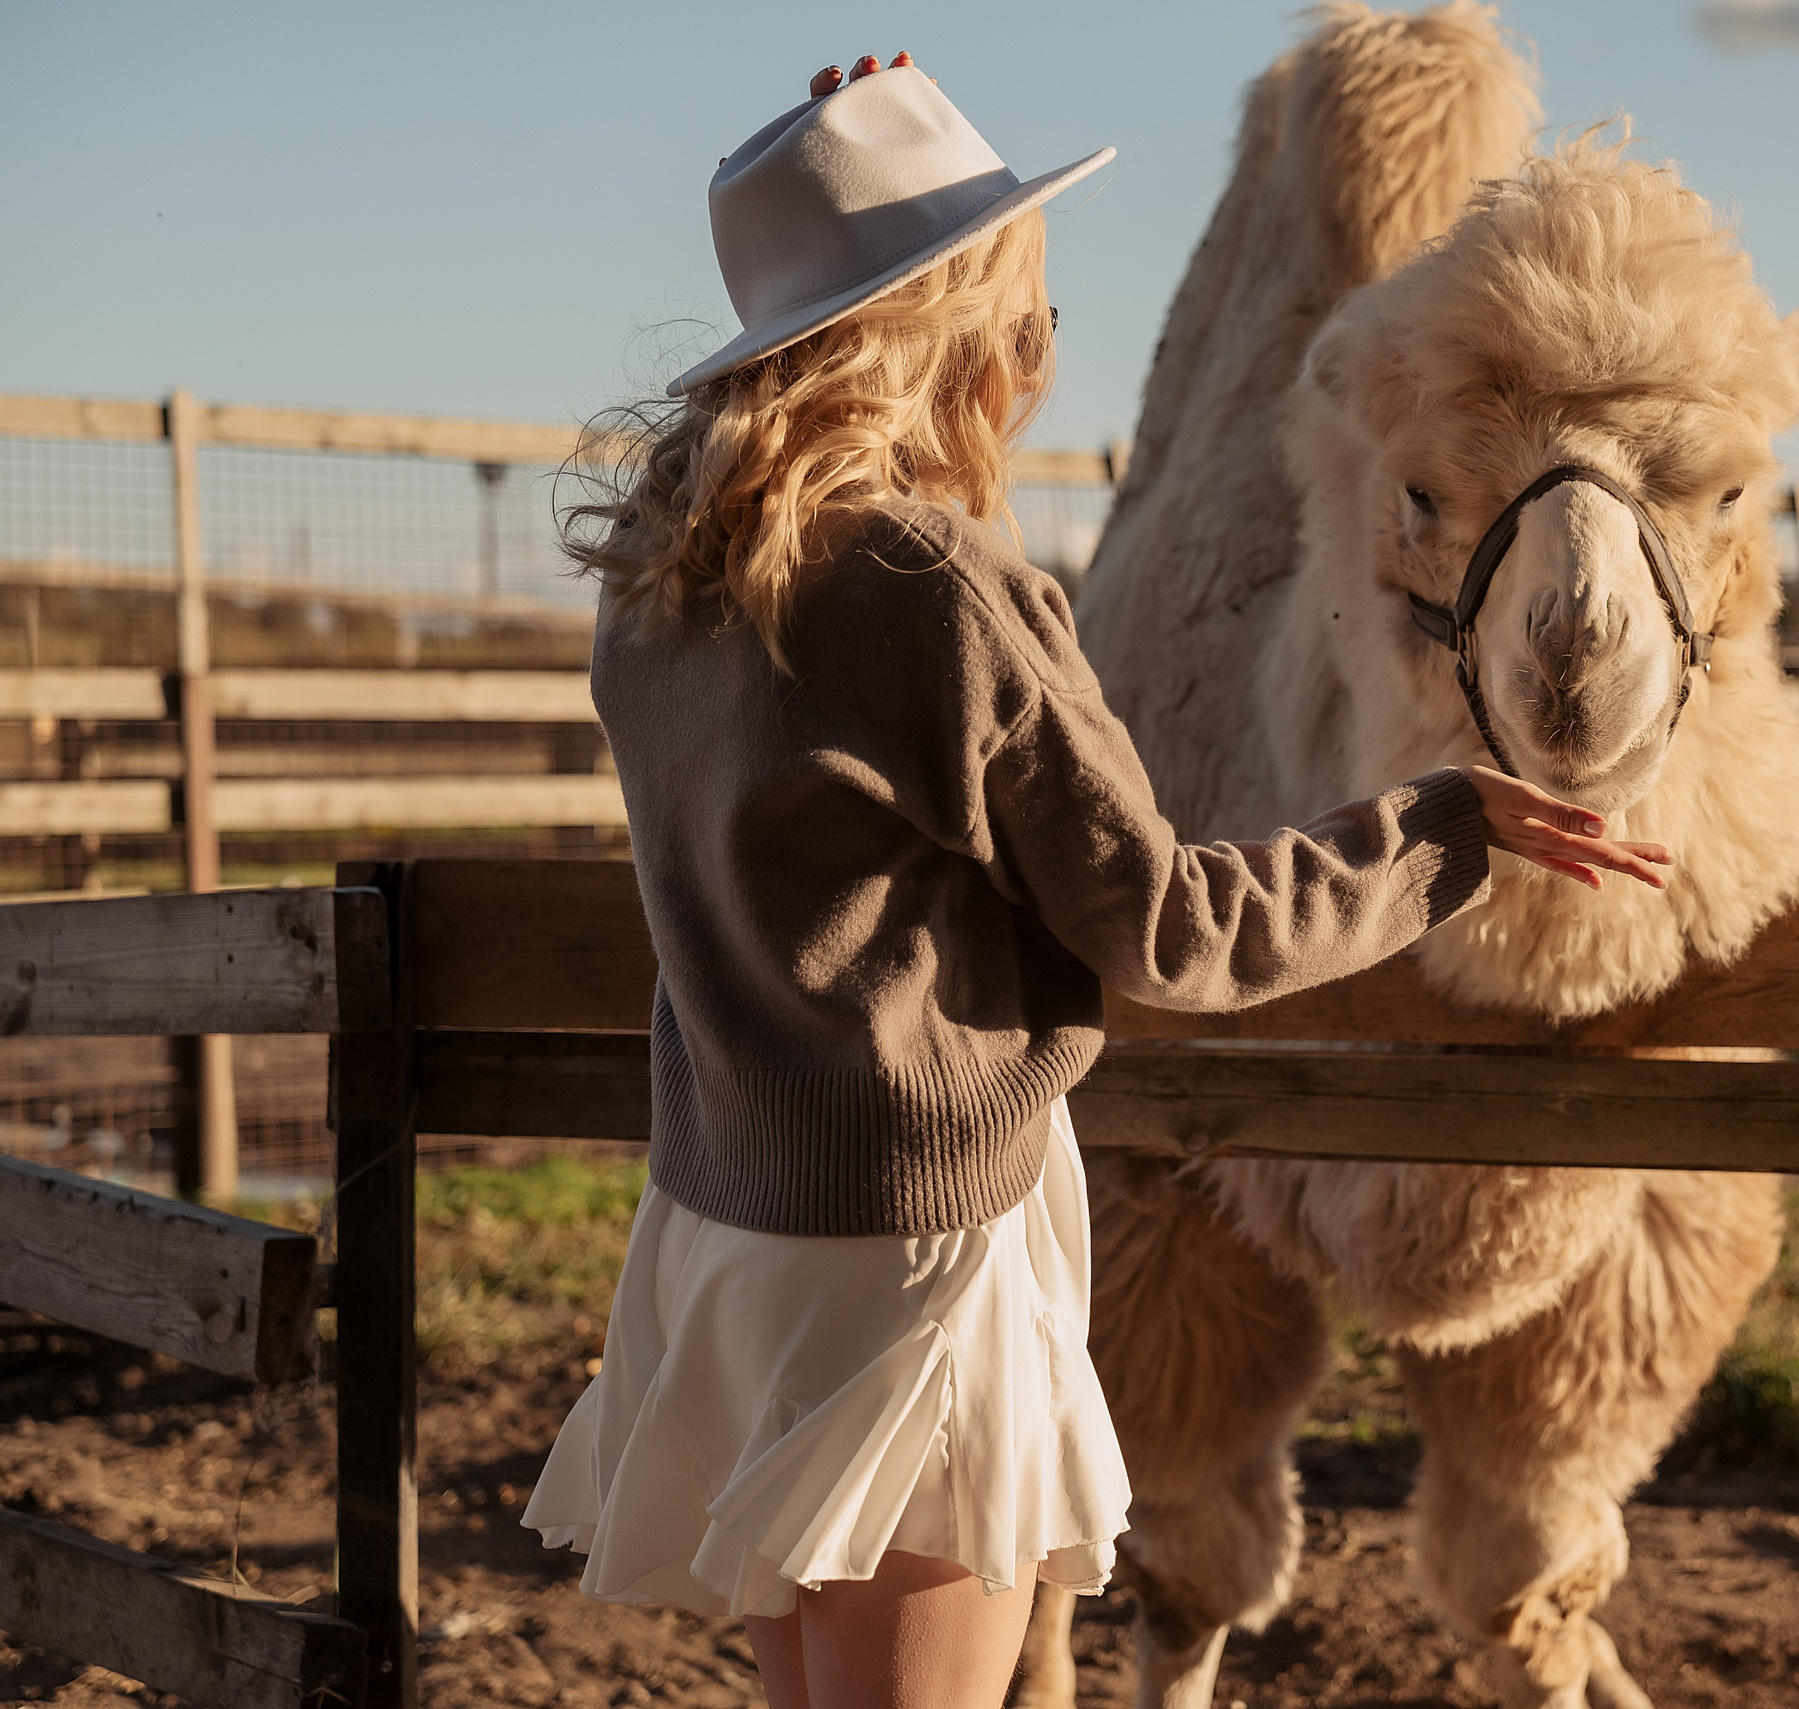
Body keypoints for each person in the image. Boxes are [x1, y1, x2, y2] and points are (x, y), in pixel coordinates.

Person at [520, 53, 1671, 1709]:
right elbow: (1163, 930)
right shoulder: (939, 587)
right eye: (1020, 272)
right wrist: (1443, 829)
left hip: (728, 1232)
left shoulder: (664, 586)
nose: (1046, 320)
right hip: (914, 1256)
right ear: (955, 314)